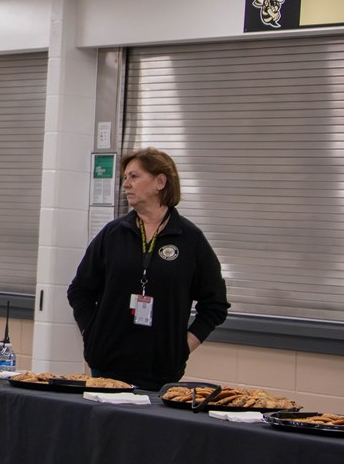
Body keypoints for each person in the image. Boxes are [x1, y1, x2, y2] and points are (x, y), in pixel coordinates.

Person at [67, 147, 230, 391]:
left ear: (160, 182)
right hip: (107, 365)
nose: (126, 185)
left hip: (159, 372)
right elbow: (79, 291)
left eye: (134, 176)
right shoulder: (112, 234)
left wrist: (182, 347)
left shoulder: (190, 239)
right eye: (125, 178)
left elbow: (215, 305)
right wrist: (92, 335)